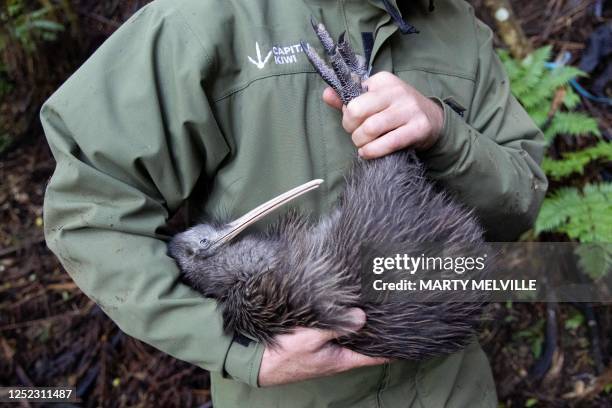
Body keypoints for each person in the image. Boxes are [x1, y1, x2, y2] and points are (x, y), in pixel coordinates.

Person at [40, 0, 548, 406]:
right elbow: (89, 209)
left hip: (452, 390)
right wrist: (238, 352)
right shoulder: (199, 20)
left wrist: (442, 132)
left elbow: (519, 201)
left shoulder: (454, 24)